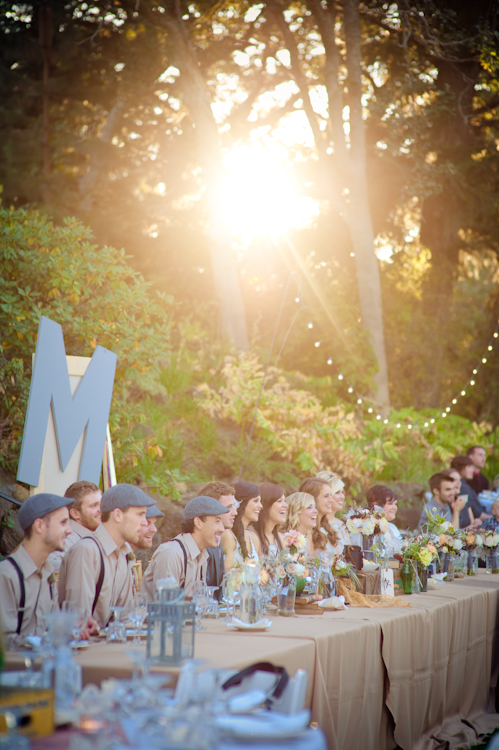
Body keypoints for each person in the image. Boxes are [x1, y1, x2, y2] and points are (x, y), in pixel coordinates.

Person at [58, 483, 155, 628]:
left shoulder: (124, 553)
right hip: (81, 647)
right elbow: (78, 622)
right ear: (117, 515)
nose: (145, 522)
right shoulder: (86, 551)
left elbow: (125, 617)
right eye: (140, 514)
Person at [0, 493, 73, 650]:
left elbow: (52, 629)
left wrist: (71, 629)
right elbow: (4, 643)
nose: (69, 531)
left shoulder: (48, 573)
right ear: (39, 526)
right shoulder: (6, 575)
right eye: (63, 523)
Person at [142, 496, 229, 600]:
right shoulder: (172, 554)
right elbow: (167, 607)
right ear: (198, 523)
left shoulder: (202, 555)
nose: (222, 529)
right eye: (217, 521)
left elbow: (200, 603)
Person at [47, 481, 102, 571]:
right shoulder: (67, 539)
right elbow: (49, 564)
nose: (101, 509)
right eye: (94, 506)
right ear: (75, 513)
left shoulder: (97, 535)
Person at [198, 481, 237, 597]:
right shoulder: (196, 545)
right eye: (229, 507)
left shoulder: (217, 542)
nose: (235, 512)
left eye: (234, 506)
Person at [221, 482, 261, 570]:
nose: (260, 506)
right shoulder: (228, 536)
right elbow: (226, 576)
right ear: (241, 503)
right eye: (255, 501)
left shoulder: (253, 538)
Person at [299, 478, 338, 554]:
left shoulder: (328, 528)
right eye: (326, 496)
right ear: (312, 499)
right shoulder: (304, 531)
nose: (331, 500)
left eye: (331, 495)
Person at [315, 471, 351, 553]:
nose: (342, 497)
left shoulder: (341, 524)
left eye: (342, 492)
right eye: (337, 492)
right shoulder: (317, 524)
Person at [251, 483, 287, 557]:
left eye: (285, 501)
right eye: (279, 501)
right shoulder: (252, 536)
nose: (286, 505)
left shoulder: (279, 537)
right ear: (263, 504)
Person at [450, 455, 489, 523]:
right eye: (469, 467)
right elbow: (477, 513)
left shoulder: (464, 485)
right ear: (460, 469)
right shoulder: (462, 487)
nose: (472, 470)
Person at [366, 485, 402, 555]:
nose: (395, 508)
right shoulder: (368, 528)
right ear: (376, 505)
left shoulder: (393, 528)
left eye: (395, 504)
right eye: (390, 503)